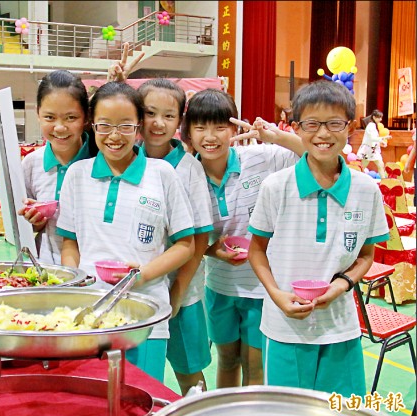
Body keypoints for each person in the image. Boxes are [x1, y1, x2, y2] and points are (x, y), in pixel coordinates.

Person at [247, 80, 390, 398]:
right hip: (285, 329)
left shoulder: (366, 190)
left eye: (334, 123)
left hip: (341, 328)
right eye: (312, 124)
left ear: (350, 127)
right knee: (287, 415)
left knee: (343, 412)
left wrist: (342, 285)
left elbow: (367, 255)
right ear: (296, 127)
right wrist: (276, 295)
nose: (323, 134)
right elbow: (257, 250)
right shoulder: (276, 186)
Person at [57, 82, 196, 383]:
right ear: (92, 125)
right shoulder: (77, 175)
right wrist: (75, 280)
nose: (115, 136)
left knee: (143, 399)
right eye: (105, 126)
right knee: (94, 401)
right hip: (90, 314)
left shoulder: (162, 174)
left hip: (147, 313)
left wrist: (142, 274)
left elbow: (185, 244)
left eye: (125, 126)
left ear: (139, 128)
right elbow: (70, 242)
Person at [181, 88, 305, 389]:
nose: (210, 136)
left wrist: (274, 136)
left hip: (262, 287)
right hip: (219, 286)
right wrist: (212, 251)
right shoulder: (185, 174)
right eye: (201, 127)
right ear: (188, 133)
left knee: (254, 365)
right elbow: (184, 236)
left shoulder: (259, 158)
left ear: (234, 128)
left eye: (219, 126)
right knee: (227, 360)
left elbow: (311, 151)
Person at [128, 77, 214, 395]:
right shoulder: (123, 157)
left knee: (189, 372)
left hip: (183, 292)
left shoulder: (189, 168)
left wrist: (178, 290)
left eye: (169, 115)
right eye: (150, 113)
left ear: (180, 120)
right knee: (138, 373)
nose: (158, 123)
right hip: (137, 289)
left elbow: (201, 237)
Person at [18, 70, 97, 264]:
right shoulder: (30, 164)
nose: (60, 127)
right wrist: (34, 221)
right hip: (46, 269)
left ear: (86, 117)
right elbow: (23, 230)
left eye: (71, 118)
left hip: (93, 270)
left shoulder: (100, 161)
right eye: (50, 118)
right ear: (38, 114)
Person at [357, 109, 391, 178]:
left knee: (380, 165)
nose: (380, 119)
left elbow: (373, 139)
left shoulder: (372, 125)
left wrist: (382, 141)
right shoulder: (371, 126)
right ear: (374, 117)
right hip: (369, 150)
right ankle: (357, 179)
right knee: (363, 167)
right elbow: (372, 138)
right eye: (379, 117)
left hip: (372, 149)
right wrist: (383, 138)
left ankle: (384, 181)